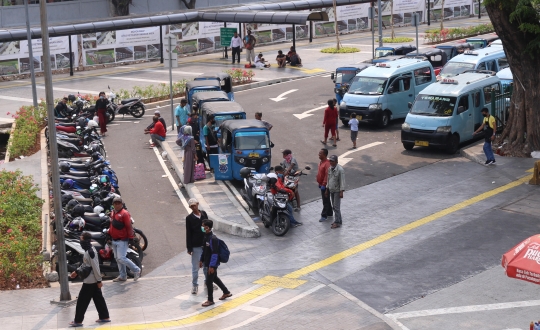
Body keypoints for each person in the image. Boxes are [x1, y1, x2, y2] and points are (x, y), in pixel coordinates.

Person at [69, 232, 110, 327]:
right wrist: (76, 271)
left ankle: (78, 321)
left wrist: (99, 280)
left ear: (85, 240)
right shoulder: (88, 251)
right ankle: (104, 316)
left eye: (81, 238)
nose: (80, 240)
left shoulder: (91, 252)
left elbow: (95, 267)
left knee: (82, 301)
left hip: (90, 281)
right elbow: (85, 264)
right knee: (98, 298)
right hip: (91, 280)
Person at [200, 219, 232, 307]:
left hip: (211, 264)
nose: (202, 227)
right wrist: (201, 260)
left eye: (203, 226)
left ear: (207, 227)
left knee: (209, 281)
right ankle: (226, 292)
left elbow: (215, 253)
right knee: (214, 278)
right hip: (207, 262)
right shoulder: (205, 236)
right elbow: (204, 250)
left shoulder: (213, 239)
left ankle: (210, 300)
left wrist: (212, 266)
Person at [109, 197, 141, 282]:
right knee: (117, 258)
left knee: (121, 258)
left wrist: (131, 238)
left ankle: (136, 270)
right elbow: (111, 225)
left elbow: (129, 226)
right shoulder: (112, 213)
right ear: (113, 205)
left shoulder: (125, 214)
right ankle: (123, 276)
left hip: (122, 240)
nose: (117, 205)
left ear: (122, 204)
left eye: (119, 203)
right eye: (115, 203)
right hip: (114, 240)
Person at [186, 198, 209, 295]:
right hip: (196, 245)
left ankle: (207, 282)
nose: (193, 207)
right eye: (191, 206)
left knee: (206, 266)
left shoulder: (203, 214)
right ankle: (195, 285)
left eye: (194, 205)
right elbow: (188, 233)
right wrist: (189, 248)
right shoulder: (189, 218)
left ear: (198, 204)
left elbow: (208, 227)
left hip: (205, 244)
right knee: (195, 267)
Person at [326, 155, 346, 229]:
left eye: (332, 161)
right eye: (330, 161)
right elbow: (329, 179)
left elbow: (342, 181)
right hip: (331, 190)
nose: (331, 162)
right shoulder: (329, 169)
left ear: (336, 161)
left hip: (337, 191)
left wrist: (341, 191)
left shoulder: (340, 170)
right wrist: (327, 189)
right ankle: (339, 220)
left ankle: (337, 222)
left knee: (336, 207)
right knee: (334, 206)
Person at [317, 148, 333, 222]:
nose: (319, 154)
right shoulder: (321, 162)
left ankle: (324, 215)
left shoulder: (327, 163)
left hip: (326, 186)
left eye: (320, 153)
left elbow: (327, 175)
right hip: (321, 184)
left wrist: (324, 184)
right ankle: (330, 212)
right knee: (326, 199)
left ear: (324, 155)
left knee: (325, 200)